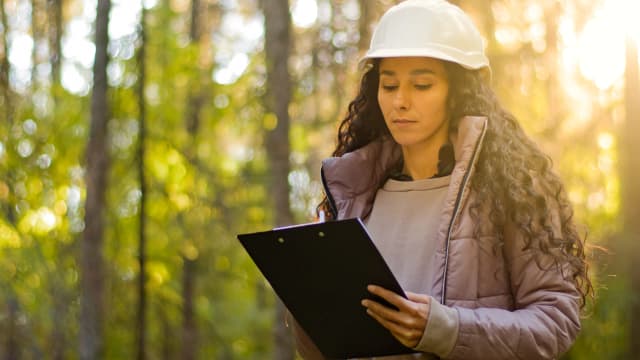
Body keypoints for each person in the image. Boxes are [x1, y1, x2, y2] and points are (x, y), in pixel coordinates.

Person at [290, 0, 593, 359]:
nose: (400, 101)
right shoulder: (354, 195)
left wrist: (445, 330)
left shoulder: (512, 191)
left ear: (459, 91)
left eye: (421, 85)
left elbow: (555, 323)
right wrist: (305, 297)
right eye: (389, 86)